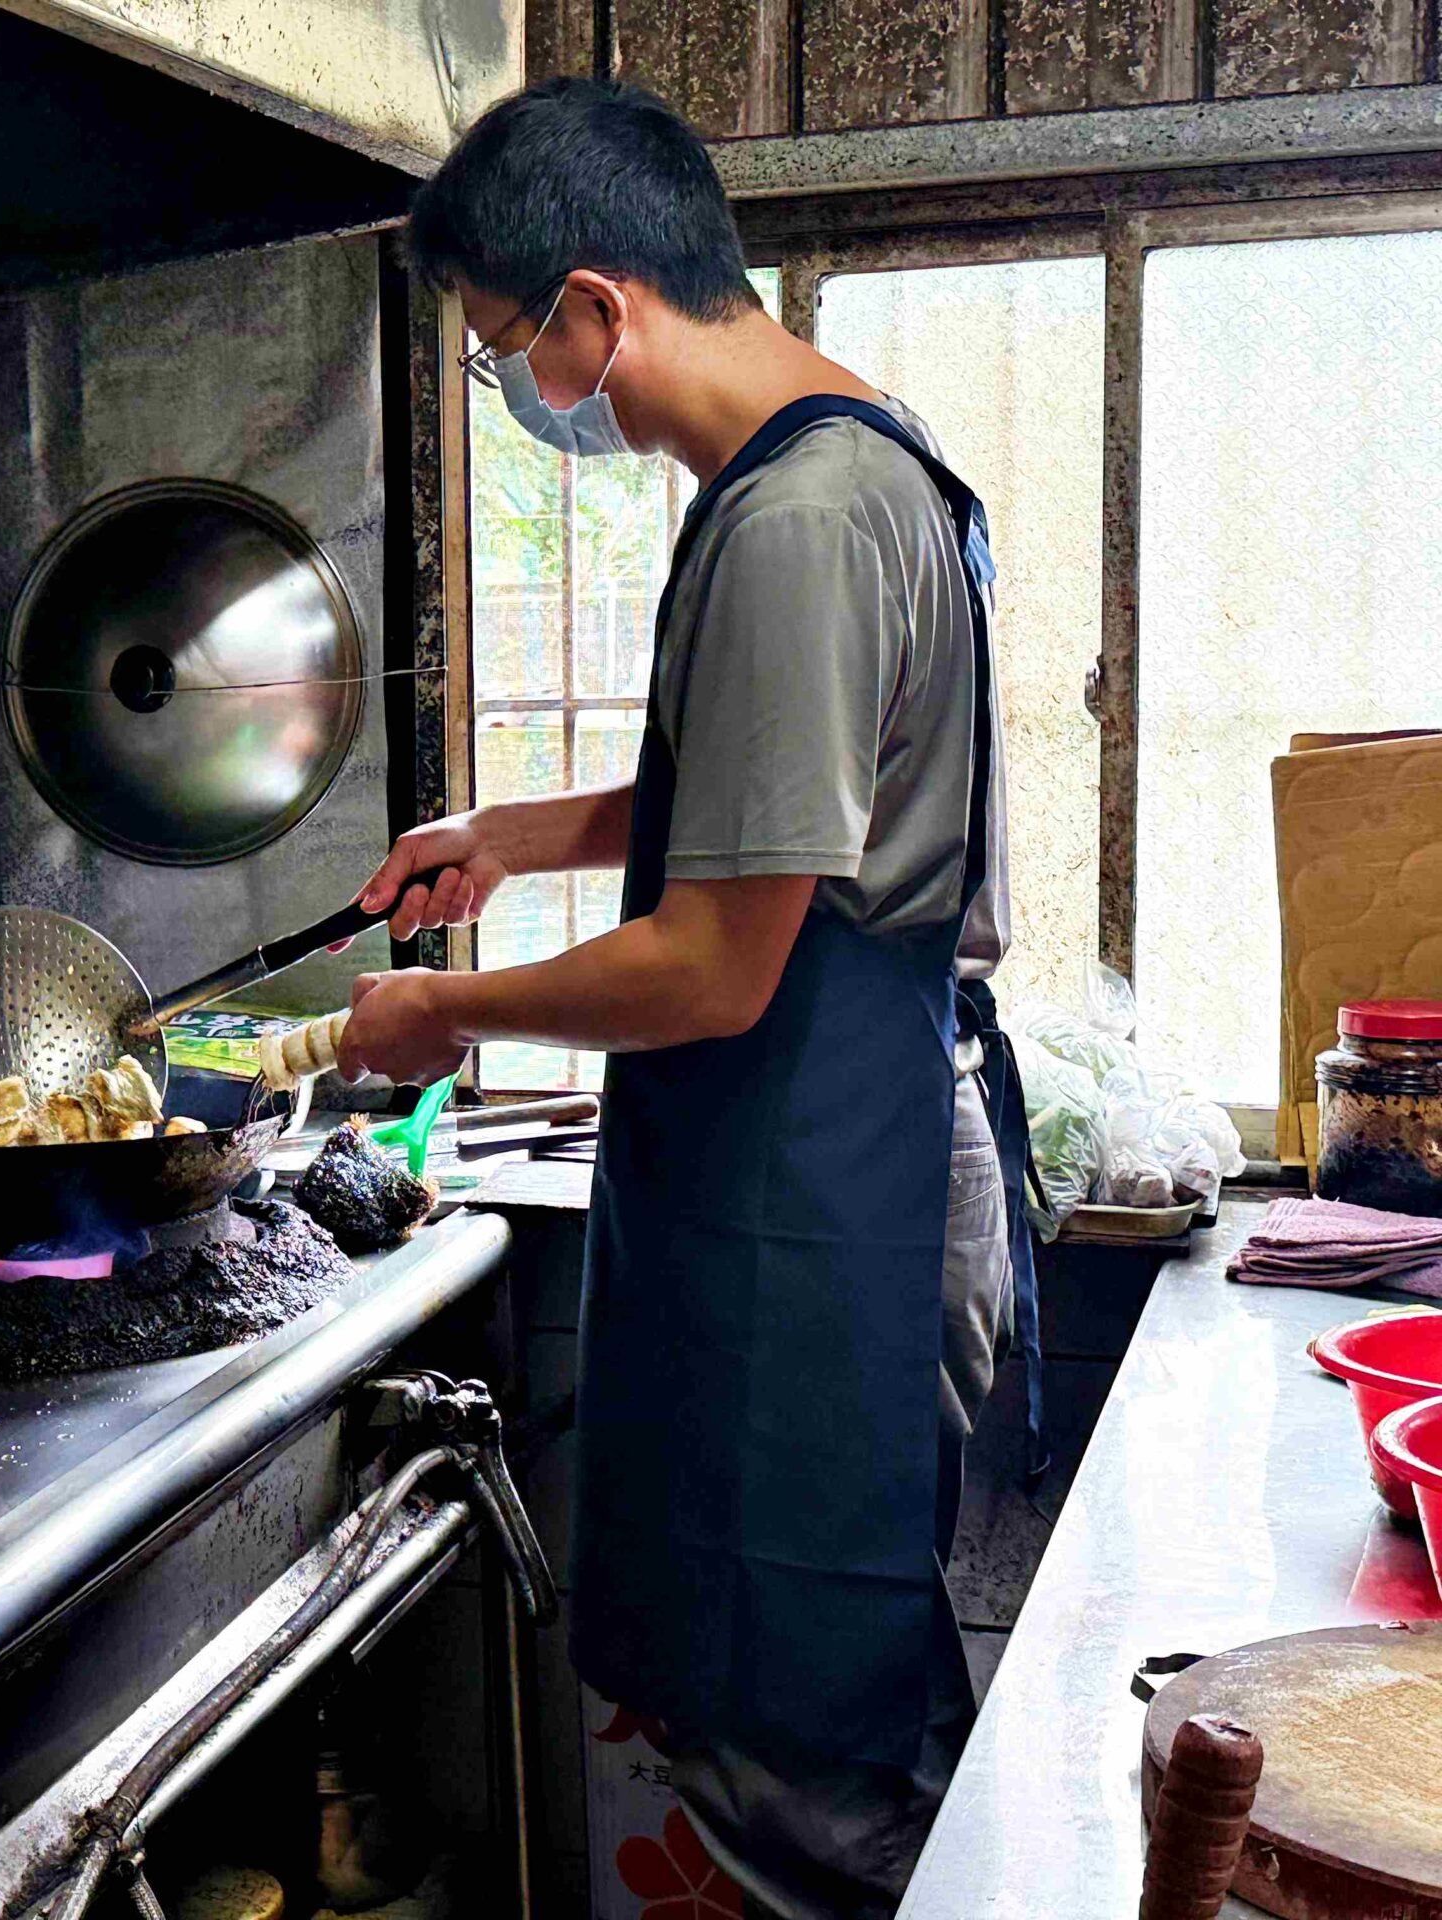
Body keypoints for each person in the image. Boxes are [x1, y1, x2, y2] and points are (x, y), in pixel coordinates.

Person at [339, 78, 1029, 1918]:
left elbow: (725, 964)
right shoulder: (862, 451)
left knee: (793, 1749)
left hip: (825, 1191)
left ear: (596, 305)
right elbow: (760, 799)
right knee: (818, 1730)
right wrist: (508, 834)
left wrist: (440, 1016)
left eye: (512, 353)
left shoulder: (797, 523)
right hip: (843, 1161)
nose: (538, 398)